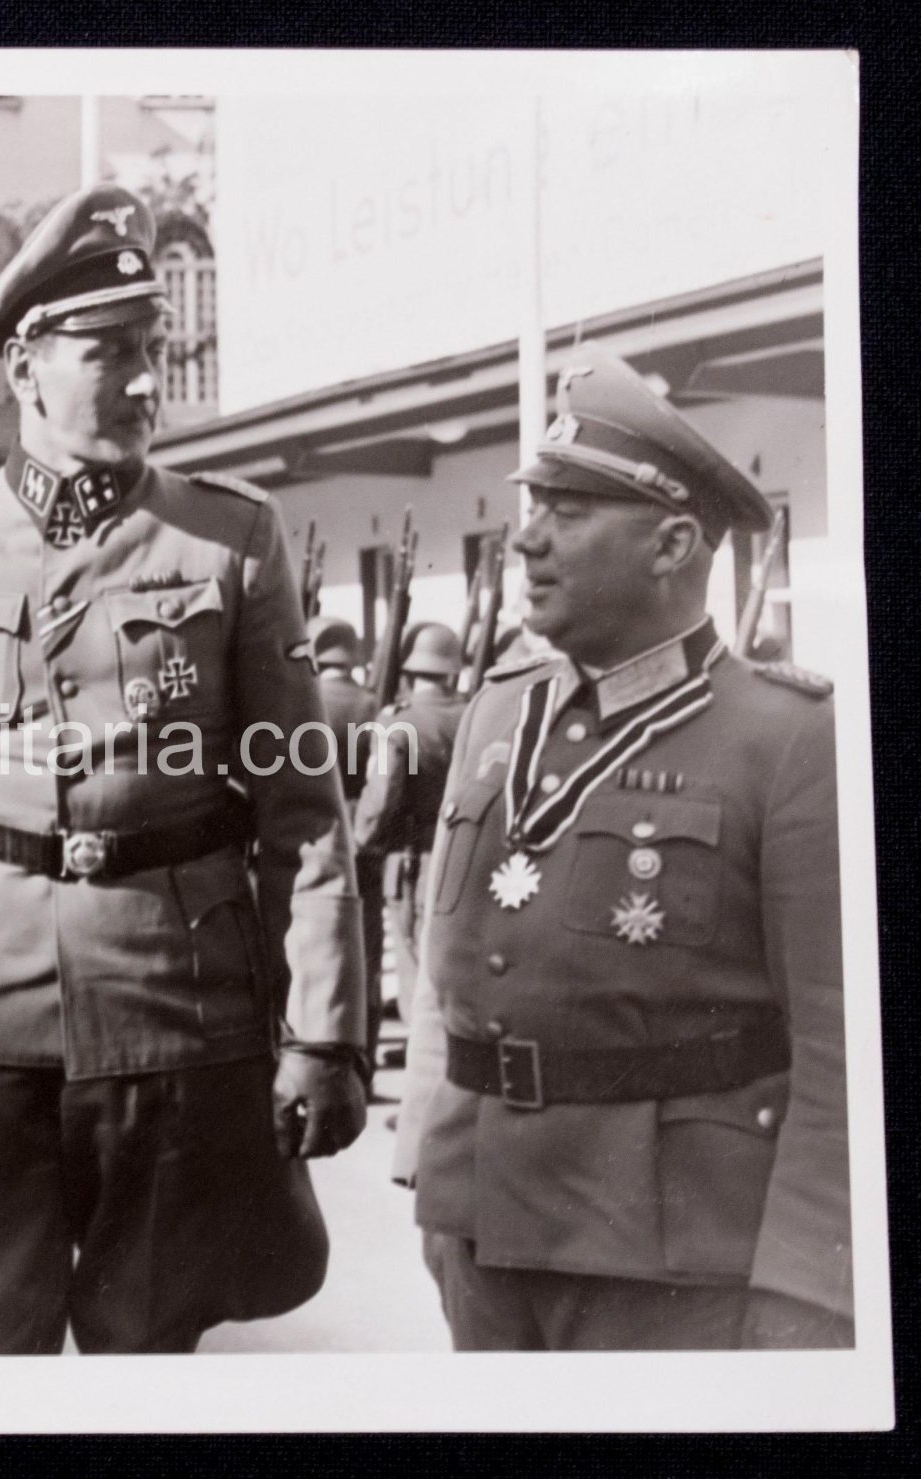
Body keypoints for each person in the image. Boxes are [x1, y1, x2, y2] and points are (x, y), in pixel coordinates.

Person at [0, 184, 367, 1355]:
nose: (144, 381)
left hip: (172, 1006)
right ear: (24, 364)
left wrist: (321, 1033)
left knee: (150, 1344)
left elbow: (300, 811)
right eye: (109, 352)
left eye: (154, 350)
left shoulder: (229, 536)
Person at [395, 343, 851, 1350]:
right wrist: (427, 1165)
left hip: (668, 1252)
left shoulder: (786, 738)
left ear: (671, 543)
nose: (525, 544)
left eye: (566, 514)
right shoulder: (494, 713)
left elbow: (835, 1042)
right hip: (479, 1222)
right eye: (531, 510)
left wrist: (807, 1288)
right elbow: (450, 963)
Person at [351, 621, 468, 1075]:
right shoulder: (473, 712)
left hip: (412, 864)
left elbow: (381, 801)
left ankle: (428, 1084)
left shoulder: (396, 724)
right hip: (462, 852)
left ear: (410, 670)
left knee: (416, 976)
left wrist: (361, 842)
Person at [309, 614, 386, 1066]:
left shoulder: (301, 701)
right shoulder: (373, 704)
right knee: (368, 947)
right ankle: (365, 1054)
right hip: (364, 832)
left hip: (314, 828)